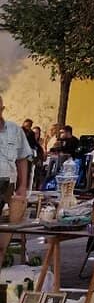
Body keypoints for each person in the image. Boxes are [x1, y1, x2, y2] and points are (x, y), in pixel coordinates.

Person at [0, 94, 32, 233]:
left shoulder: (14, 130)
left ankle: (2, 253)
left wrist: (23, 186)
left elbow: (22, 158)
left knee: (7, 228)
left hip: (8, 185)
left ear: (2, 109)